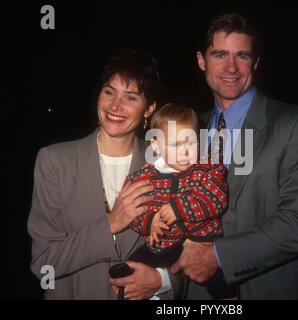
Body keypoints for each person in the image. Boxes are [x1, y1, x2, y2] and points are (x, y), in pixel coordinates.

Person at [171, 13, 298, 299]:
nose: (231, 67)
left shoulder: (297, 124)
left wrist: (218, 256)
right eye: (220, 54)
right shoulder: (191, 129)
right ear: (201, 60)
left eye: (242, 56)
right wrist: (161, 278)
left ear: (255, 63)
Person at [28, 51, 182, 300]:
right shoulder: (55, 161)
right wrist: (111, 224)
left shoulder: (168, 165)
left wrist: (163, 281)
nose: (115, 106)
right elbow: (43, 264)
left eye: (130, 97)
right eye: (109, 92)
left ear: (149, 109)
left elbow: (193, 248)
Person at [124, 103, 237, 299]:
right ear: (156, 145)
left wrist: (179, 209)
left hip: (203, 245)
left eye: (190, 143)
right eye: (175, 145)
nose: (185, 152)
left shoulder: (207, 169)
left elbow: (216, 199)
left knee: (223, 285)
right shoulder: (144, 176)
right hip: (162, 246)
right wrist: (149, 222)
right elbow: (133, 211)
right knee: (128, 272)